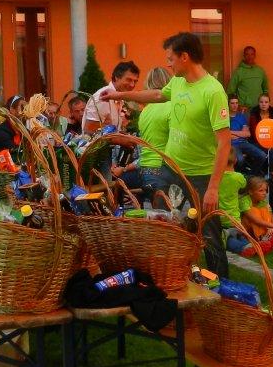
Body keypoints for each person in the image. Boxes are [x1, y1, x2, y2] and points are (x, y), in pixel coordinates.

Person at [105, 33, 230, 277]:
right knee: (166, 226)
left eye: (171, 58)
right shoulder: (178, 82)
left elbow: (224, 143)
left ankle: (221, 285)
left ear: (185, 57)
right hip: (170, 170)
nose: (168, 64)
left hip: (201, 176)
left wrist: (213, 188)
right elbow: (156, 95)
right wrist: (119, 95)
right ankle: (169, 277)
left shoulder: (213, 92)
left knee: (209, 232)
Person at [135, 67, 173, 203]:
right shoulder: (172, 106)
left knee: (159, 213)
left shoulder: (145, 111)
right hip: (164, 170)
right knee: (170, 214)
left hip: (145, 170)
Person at [85, 60, 140, 133]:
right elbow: (89, 129)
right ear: (117, 77)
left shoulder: (120, 97)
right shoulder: (103, 97)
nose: (132, 85)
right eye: (129, 80)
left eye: (135, 81)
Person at [238, 176, 273, 255]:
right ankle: (262, 241)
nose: (264, 193)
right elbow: (255, 220)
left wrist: (272, 228)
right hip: (247, 232)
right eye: (261, 190)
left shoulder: (263, 202)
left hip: (264, 230)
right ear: (251, 192)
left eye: (265, 190)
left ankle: (266, 243)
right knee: (254, 211)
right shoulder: (244, 201)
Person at [227, 95, 268, 173]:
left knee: (262, 155)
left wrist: (231, 132)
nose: (235, 105)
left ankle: (251, 174)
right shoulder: (225, 118)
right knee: (240, 160)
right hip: (232, 144)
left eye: (236, 103)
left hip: (243, 143)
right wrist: (240, 134)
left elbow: (247, 134)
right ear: (228, 104)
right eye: (232, 103)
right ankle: (239, 175)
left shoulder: (241, 117)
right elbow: (226, 135)